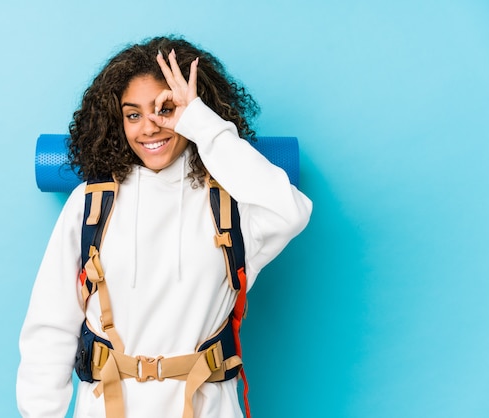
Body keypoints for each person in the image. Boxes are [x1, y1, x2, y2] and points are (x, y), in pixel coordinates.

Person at [17, 35, 312, 418]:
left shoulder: (230, 204)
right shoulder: (91, 204)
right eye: (133, 114)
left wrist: (201, 123)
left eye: (165, 109)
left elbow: (291, 211)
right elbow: (50, 325)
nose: (150, 128)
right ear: (116, 121)